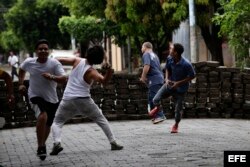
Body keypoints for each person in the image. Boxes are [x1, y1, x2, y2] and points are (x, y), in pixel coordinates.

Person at [50, 45, 123, 156]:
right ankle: (113, 142)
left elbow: (57, 60)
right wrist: (109, 71)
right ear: (98, 59)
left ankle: (57, 143)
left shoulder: (77, 60)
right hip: (83, 100)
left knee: (57, 122)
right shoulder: (91, 71)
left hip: (68, 99)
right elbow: (104, 81)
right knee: (100, 119)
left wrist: (52, 69)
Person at [18, 39, 67, 160]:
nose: (43, 51)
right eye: (40, 49)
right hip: (35, 95)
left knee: (48, 124)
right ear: (36, 51)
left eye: (45, 48)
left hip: (52, 98)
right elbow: (21, 70)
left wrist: (51, 76)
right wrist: (21, 83)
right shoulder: (29, 62)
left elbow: (63, 79)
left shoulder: (54, 63)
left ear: (48, 50)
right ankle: (40, 146)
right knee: (42, 116)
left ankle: (42, 145)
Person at [149, 43, 195, 133]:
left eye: (172, 49)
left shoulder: (186, 64)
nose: (169, 50)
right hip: (169, 85)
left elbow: (192, 76)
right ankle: (158, 109)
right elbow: (167, 69)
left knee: (178, 110)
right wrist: (166, 79)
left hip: (181, 89)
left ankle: (176, 125)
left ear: (176, 53)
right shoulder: (170, 58)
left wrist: (179, 83)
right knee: (155, 99)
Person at [139, 42, 166, 124]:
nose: (141, 49)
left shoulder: (146, 54)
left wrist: (143, 77)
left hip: (154, 79)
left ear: (145, 47)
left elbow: (147, 65)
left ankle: (160, 115)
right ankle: (155, 116)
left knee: (154, 98)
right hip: (159, 78)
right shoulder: (155, 55)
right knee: (151, 98)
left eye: (142, 47)